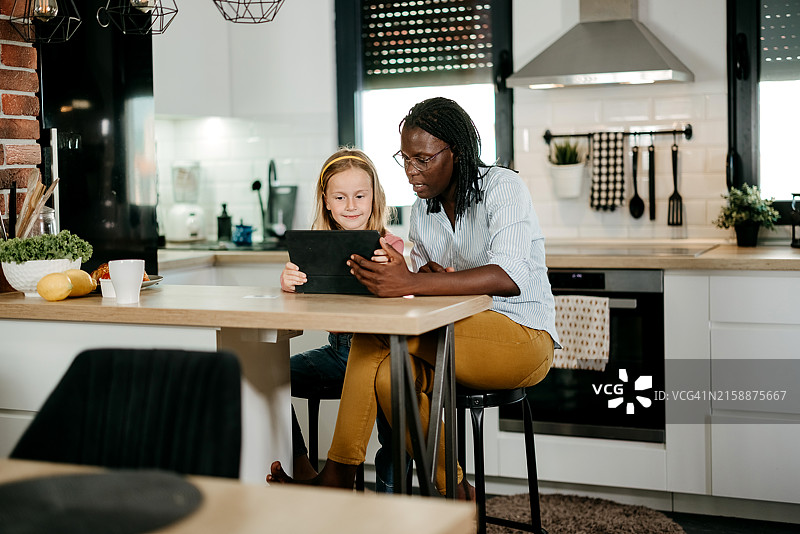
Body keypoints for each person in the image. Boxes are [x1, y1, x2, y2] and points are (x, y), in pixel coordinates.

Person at [268, 97, 559, 498]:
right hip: (453, 336)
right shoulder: (425, 208)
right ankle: (458, 491)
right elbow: (422, 282)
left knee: (375, 334)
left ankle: (336, 478)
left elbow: (508, 277)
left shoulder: (501, 187)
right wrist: (422, 278)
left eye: (422, 159)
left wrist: (413, 282)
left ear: (456, 153)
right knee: (390, 378)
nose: (410, 171)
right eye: (405, 159)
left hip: (521, 335)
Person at [280, 147, 405, 490]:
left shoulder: (391, 245)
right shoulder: (314, 248)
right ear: (326, 201)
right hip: (338, 353)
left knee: (395, 420)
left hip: (382, 355)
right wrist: (289, 284)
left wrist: (391, 276)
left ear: (374, 197)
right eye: (340, 197)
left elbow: (403, 300)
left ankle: (391, 499)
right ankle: (302, 465)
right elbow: (312, 305)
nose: (351, 205)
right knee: (269, 377)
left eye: (360, 196)